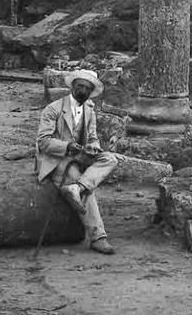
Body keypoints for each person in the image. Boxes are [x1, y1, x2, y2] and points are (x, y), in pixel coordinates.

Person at [36, 69, 118, 255]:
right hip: (56, 159)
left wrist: (94, 146)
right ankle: (98, 237)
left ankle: (77, 188)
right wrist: (67, 146)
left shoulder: (89, 111)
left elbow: (92, 137)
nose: (82, 90)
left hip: (80, 156)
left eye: (87, 88)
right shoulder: (53, 109)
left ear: (91, 92)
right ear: (72, 86)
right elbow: (43, 141)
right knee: (82, 183)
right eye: (79, 86)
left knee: (109, 158)